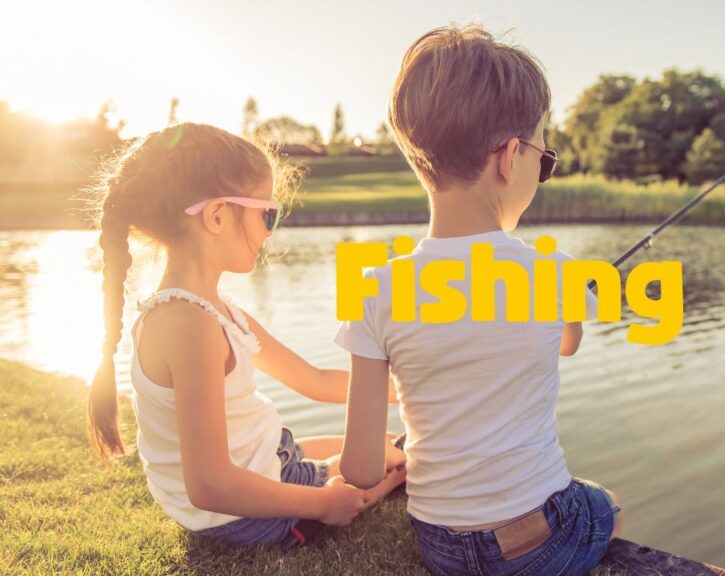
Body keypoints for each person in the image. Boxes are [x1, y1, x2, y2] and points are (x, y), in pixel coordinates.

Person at [335, 24, 622, 576]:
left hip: (439, 542)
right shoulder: (554, 272)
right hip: (539, 536)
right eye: (546, 155)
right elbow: (567, 345)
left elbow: (362, 469)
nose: (543, 168)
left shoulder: (370, 286)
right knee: (603, 504)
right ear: (511, 156)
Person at [86, 123, 406, 547]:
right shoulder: (190, 325)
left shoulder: (212, 310)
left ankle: (346, 468)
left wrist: (410, 388)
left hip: (266, 463)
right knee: (400, 458)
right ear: (217, 215)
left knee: (380, 444)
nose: (270, 233)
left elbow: (315, 381)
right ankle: (365, 485)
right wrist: (323, 505)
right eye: (266, 215)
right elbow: (210, 485)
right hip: (242, 515)